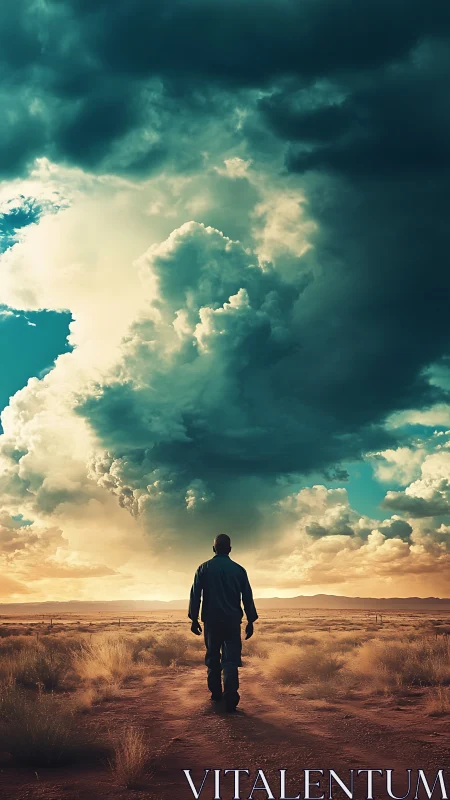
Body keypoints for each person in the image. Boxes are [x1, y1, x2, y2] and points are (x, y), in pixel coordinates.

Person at [188, 533, 258, 712]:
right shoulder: (239, 570)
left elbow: (196, 595)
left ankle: (216, 693)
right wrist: (250, 620)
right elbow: (247, 597)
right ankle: (231, 698)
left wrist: (194, 618)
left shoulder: (203, 568)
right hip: (232, 621)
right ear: (230, 549)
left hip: (211, 622)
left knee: (213, 657)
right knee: (231, 659)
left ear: (214, 548)